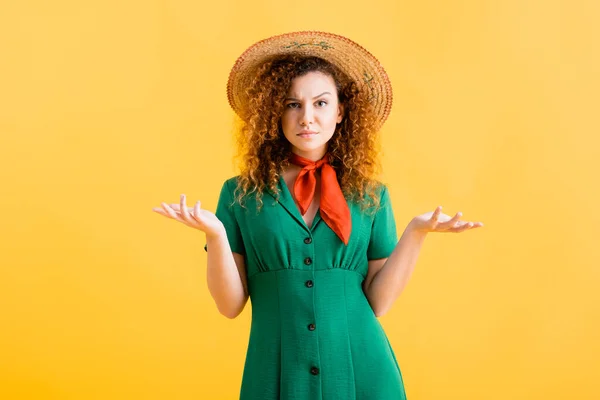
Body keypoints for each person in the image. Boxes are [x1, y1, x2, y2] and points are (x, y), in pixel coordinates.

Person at [153, 31, 483, 400]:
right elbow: (230, 306)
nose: (307, 117)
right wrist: (215, 236)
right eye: (292, 104)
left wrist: (416, 233)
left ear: (341, 111)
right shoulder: (240, 194)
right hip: (275, 372)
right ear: (274, 113)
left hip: (362, 371)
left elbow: (379, 303)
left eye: (321, 103)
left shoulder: (371, 196)